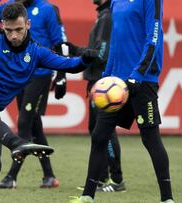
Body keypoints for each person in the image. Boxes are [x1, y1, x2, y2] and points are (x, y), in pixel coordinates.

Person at [0, 3, 96, 203]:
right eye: (9, 30)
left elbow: (67, 64)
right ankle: (18, 143)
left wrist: (85, 61)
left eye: (19, 30)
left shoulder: (37, 52)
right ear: (3, 25)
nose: (13, 35)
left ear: (28, 24)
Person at [69, 0, 174, 202]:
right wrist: (105, 78)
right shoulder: (116, 1)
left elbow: (154, 37)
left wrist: (138, 74)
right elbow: (115, 44)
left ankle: (167, 198)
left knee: (150, 138)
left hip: (142, 82)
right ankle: (87, 196)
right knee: (99, 136)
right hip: (115, 86)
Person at [0, 0, 68, 189]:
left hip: (39, 75)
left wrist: (61, 75)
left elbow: (60, 41)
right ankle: (49, 176)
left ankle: (11, 176)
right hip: (17, 74)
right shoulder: (12, 8)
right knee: (34, 125)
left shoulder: (47, 9)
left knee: (24, 122)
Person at [67, 0, 125, 193]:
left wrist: (76, 50)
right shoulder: (104, 15)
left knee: (104, 130)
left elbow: (101, 54)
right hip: (98, 82)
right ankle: (101, 178)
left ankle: (117, 181)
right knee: (96, 129)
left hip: (103, 84)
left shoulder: (107, 17)